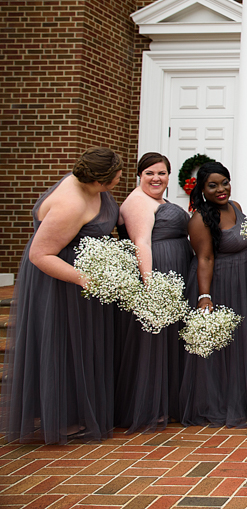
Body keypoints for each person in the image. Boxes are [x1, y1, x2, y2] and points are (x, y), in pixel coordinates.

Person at [2, 147, 123, 444]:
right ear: (98, 182)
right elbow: (40, 254)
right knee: (63, 346)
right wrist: (85, 279)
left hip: (79, 278)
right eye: (116, 179)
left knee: (79, 345)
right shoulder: (69, 204)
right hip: (60, 282)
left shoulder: (88, 183)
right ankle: (61, 418)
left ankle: (78, 412)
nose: (119, 182)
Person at [179, 161, 247, 427]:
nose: (221, 190)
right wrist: (204, 297)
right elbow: (204, 258)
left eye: (224, 183)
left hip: (245, 280)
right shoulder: (200, 219)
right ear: (202, 190)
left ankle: (240, 399)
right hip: (221, 282)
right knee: (222, 346)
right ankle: (216, 404)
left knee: (242, 342)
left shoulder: (235, 207)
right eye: (213, 185)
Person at [116, 152, 193, 432]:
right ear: (140, 175)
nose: (156, 178)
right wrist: (151, 287)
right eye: (149, 173)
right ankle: (148, 407)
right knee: (153, 344)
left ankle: (168, 403)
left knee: (168, 341)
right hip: (156, 272)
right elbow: (141, 244)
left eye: (161, 173)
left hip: (175, 270)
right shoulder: (137, 202)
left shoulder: (158, 201)